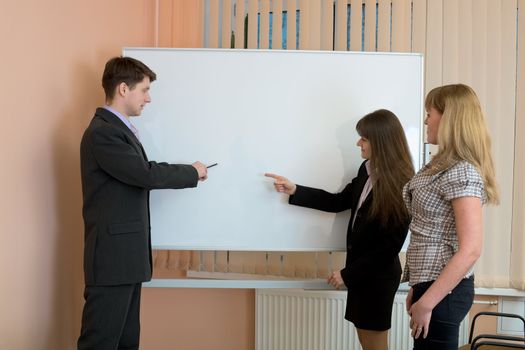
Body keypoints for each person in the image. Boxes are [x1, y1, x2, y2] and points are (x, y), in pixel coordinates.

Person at [77, 56, 208, 350]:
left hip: (125, 260)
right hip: (112, 261)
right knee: (100, 342)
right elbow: (143, 173)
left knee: (126, 342)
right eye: (144, 90)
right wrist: (191, 172)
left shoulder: (117, 130)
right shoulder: (103, 132)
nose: (148, 99)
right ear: (123, 89)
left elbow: (142, 169)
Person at [265, 109, 415, 350]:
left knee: (375, 344)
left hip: (377, 278)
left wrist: (348, 274)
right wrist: (295, 190)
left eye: (364, 138)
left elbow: (388, 248)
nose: (358, 143)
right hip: (361, 276)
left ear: (381, 141)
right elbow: (337, 202)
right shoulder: (366, 171)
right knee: (365, 341)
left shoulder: (402, 184)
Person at [403, 84, 500, 349]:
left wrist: (429, 300)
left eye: (429, 112)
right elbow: (431, 232)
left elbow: (470, 250)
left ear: (449, 118)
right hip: (434, 287)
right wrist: (419, 286)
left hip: (444, 293)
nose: (425, 119)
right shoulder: (442, 165)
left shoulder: (461, 171)